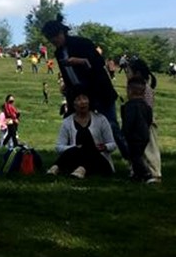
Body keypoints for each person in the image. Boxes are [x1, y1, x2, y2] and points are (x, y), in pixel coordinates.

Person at [42, 17, 125, 157]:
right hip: (80, 96)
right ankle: (79, 158)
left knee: (112, 126)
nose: (54, 41)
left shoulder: (82, 43)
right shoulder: (58, 53)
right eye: (51, 39)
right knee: (76, 126)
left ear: (63, 33)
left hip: (100, 91)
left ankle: (132, 160)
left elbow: (98, 63)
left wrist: (80, 61)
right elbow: (66, 74)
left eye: (56, 37)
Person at [48, 93, 117, 179]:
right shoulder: (67, 122)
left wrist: (104, 147)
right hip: (76, 157)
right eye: (78, 99)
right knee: (80, 149)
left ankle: (82, 169)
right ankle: (56, 167)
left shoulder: (101, 119)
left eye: (84, 98)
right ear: (73, 104)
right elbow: (59, 147)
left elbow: (113, 144)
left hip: (98, 159)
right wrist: (75, 147)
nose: (82, 102)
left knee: (89, 149)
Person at [120, 78, 161, 183]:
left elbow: (128, 121)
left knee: (135, 157)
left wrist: (124, 132)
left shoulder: (129, 106)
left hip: (134, 136)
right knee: (139, 154)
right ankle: (138, 175)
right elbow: (149, 119)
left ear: (129, 91)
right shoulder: (146, 106)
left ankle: (146, 173)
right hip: (144, 135)